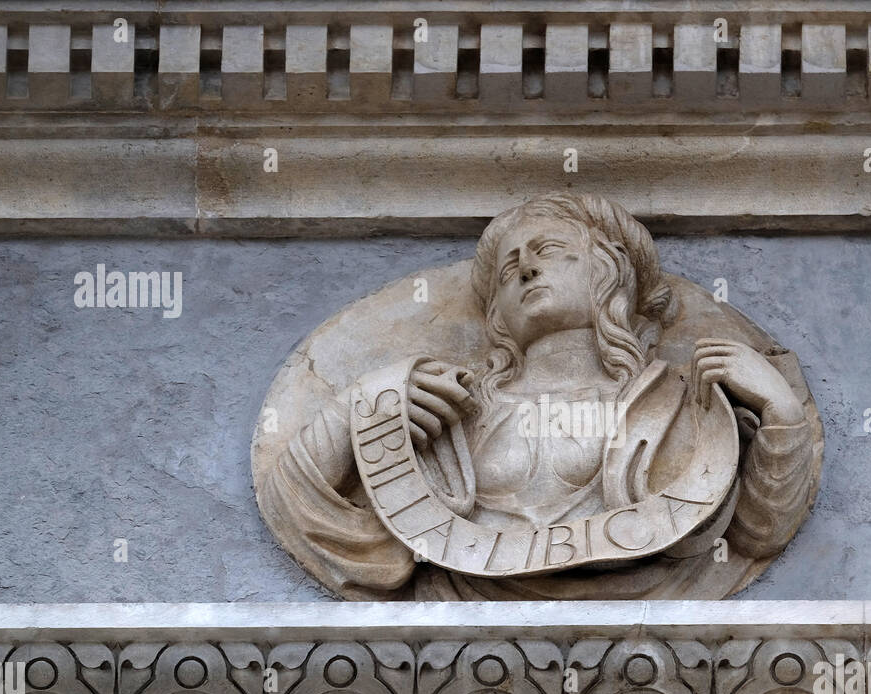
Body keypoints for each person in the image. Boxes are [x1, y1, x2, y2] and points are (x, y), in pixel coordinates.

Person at [259, 193, 818, 600]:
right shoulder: (455, 409)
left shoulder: (682, 404)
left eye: (548, 250)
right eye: (509, 267)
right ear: (494, 311)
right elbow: (297, 501)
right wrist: (372, 404)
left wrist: (781, 413)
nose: (525, 267)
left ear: (609, 272)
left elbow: (759, 530)